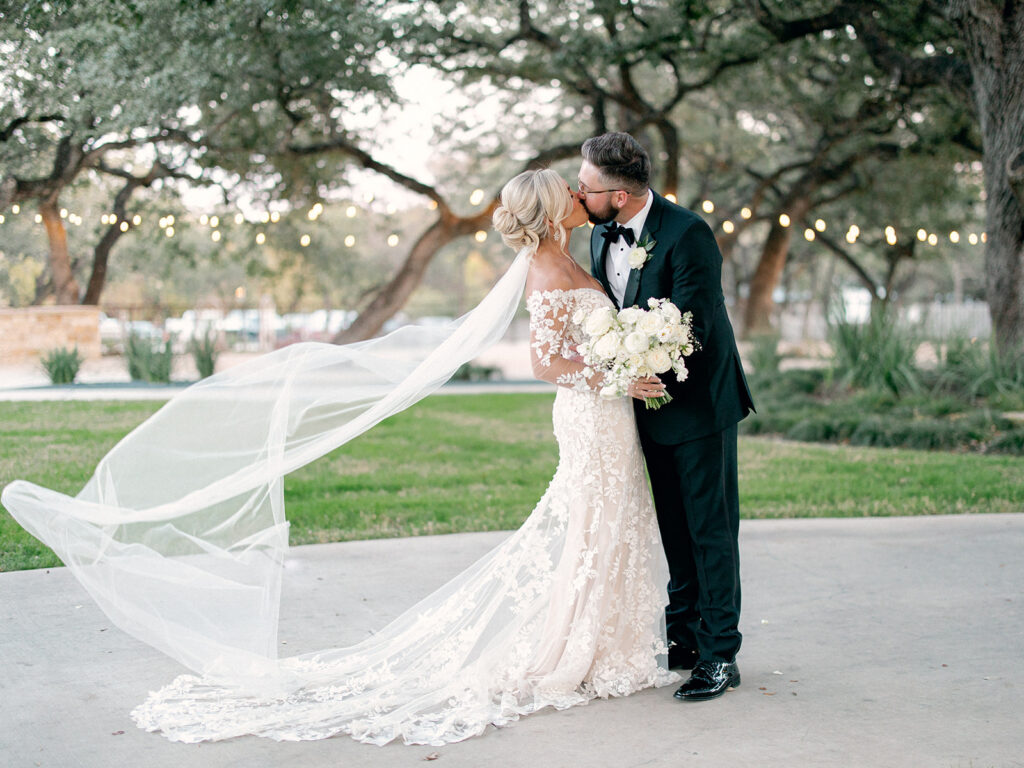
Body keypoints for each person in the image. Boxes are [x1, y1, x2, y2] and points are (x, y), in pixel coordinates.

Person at [4, 168, 677, 746]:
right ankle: (575, 646)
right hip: (590, 411)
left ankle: (604, 641)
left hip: (606, 409)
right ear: (548, 205)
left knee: (605, 521)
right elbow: (543, 361)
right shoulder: (544, 268)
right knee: (589, 522)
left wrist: (628, 356)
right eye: (566, 188)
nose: (574, 191)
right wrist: (617, 376)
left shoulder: (571, 253)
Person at [579, 132, 755, 701]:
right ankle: (683, 640)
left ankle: (720, 654)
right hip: (640, 406)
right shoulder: (600, 235)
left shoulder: (688, 234)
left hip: (700, 405)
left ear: (621, 196)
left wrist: (643, 359)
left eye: (586, 188)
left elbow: (694, 326)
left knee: (710, 529)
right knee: (672, 527)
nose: (578, 195)